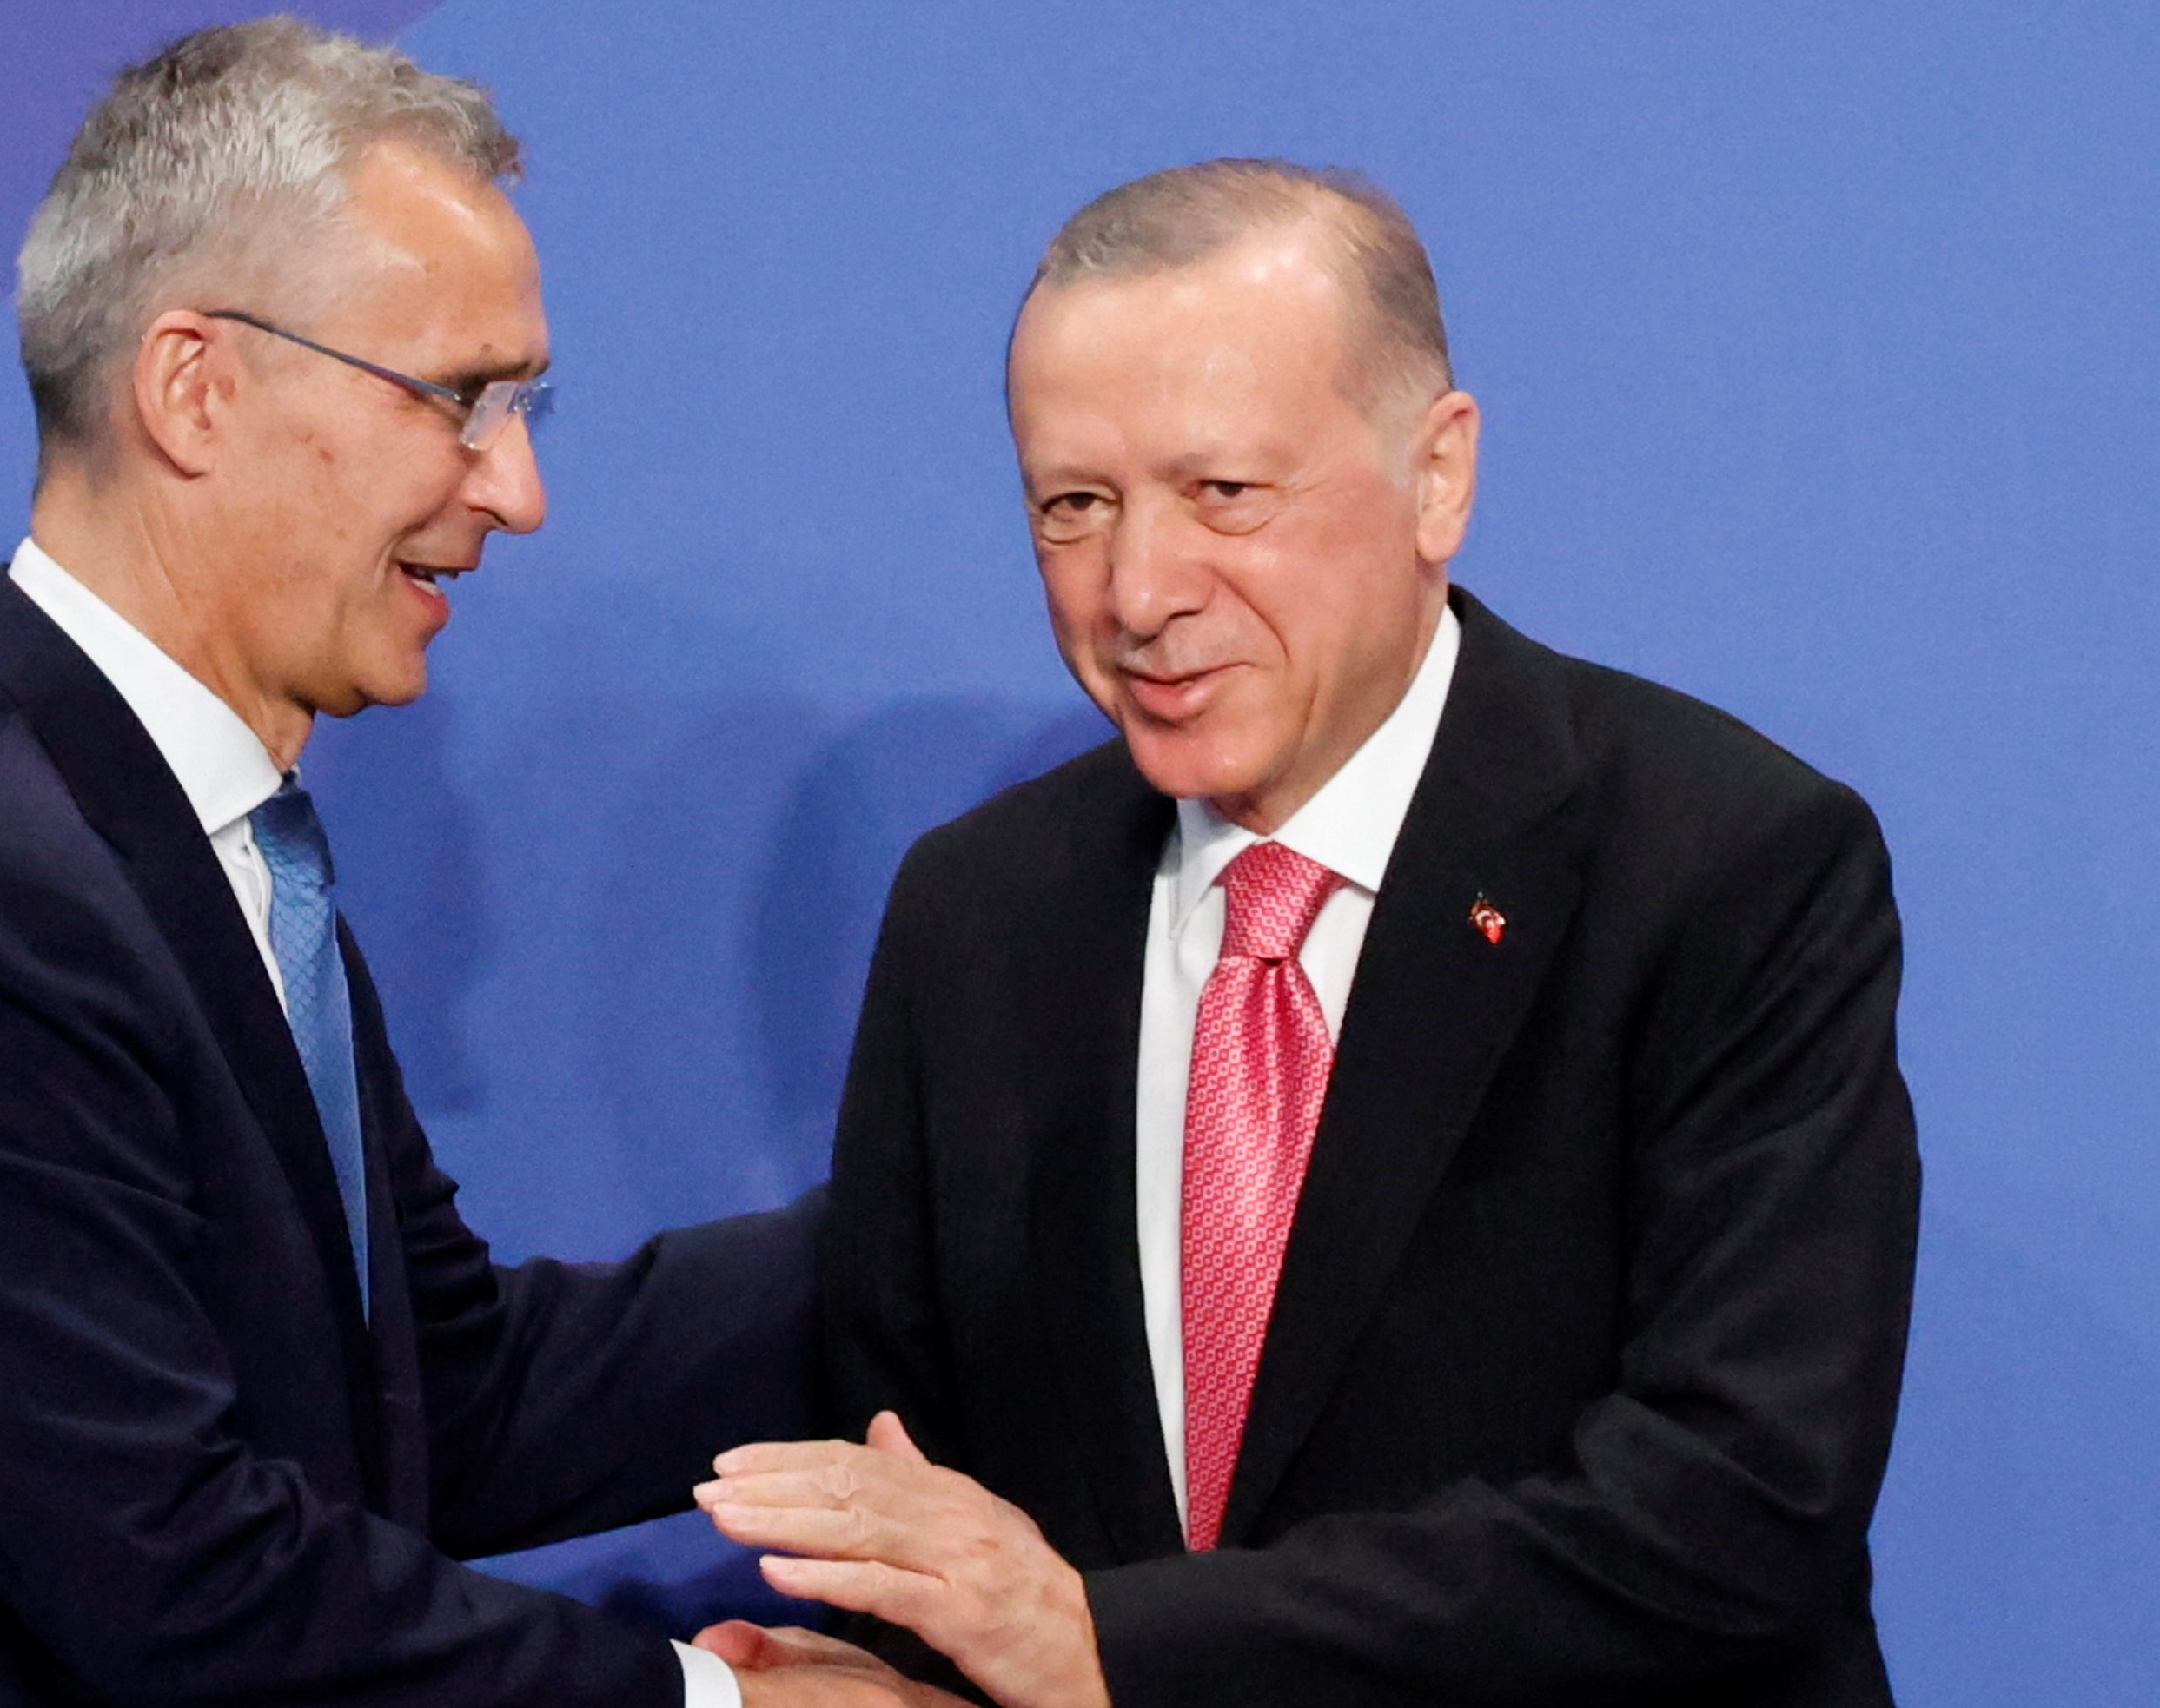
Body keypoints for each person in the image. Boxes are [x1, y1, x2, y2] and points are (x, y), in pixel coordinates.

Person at [0, 20, 915, 1708]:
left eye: (523, 405)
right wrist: (724, 1702)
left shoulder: (173, 839)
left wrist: (962, 1222)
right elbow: (185, 1587)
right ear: (196, 388)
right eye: (458, 398)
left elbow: (441, 1400)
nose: (517, 488)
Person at [693, 160, 1920, 1705]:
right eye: (1074, 506)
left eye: (1223, 493)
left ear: (1437, 476)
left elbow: (1737, 1505)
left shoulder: (1721, 863)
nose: (1137, 591)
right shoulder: (976, 910)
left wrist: (1121, 1652)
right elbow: (922, 1483)